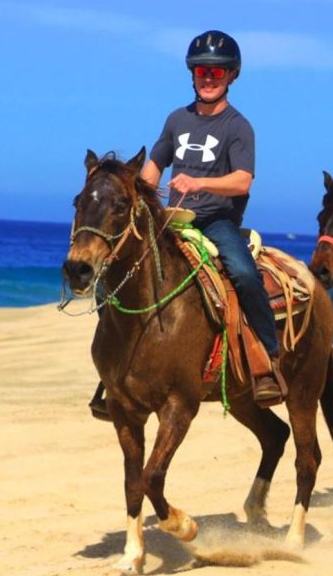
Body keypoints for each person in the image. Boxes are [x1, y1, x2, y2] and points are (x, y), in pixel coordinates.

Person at [89, 29, 285, 421]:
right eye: (201, 70)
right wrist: (136, 194)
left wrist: (199, 182)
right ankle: (113, 372)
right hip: (169, 221)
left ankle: (268, 360)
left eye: (216, 72)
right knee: (110, 280)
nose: (207, 78)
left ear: (231, 75)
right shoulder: (176, 119)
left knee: (245, 275)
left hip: (216, 221)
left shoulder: (238, 126)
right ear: (191, 74)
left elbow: (243, 180)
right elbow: (152, 169)